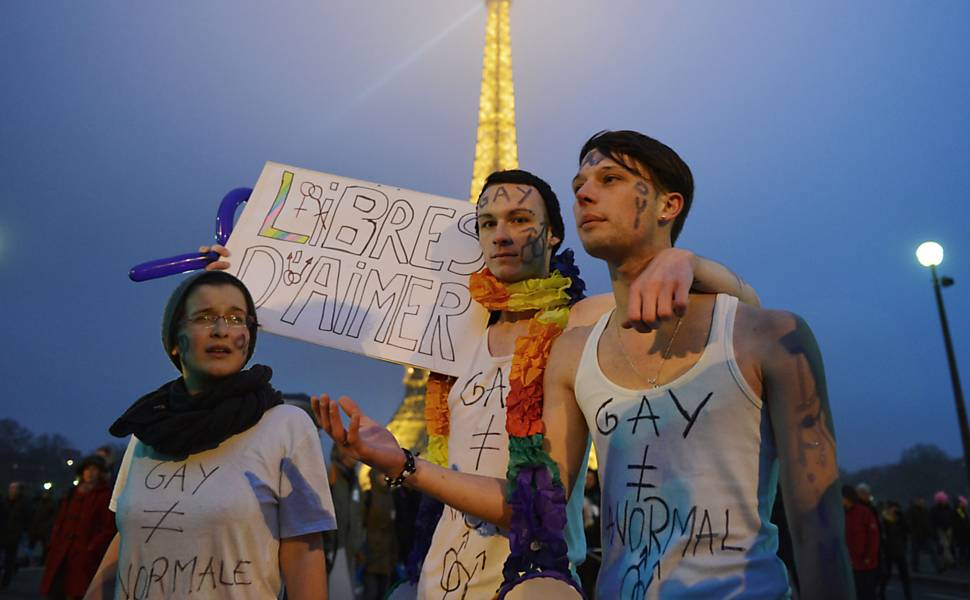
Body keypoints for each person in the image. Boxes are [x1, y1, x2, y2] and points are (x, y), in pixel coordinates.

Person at [310, 166, 762, 599]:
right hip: (439, 582)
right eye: (487, 223)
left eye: (520, 219)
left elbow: (741, 307)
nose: (501, 234)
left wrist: (687, 263)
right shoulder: (457, 337)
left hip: (531, 583)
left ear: (553, 235)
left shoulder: (577, 323)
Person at [538, 130, 854, 598]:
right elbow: (542, 509)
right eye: (579, 183)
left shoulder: (768, 336)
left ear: (669, 205)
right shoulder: (571, 350)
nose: (583, 193)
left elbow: (819, 531)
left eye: (609, 178)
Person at [83, 271, 337, 600]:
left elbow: (303, 555)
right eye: (204, 317)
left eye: (236, 318)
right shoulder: (148, 431)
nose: (221, 330)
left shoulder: (286, 425)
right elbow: (128, 539)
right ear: (174, 341)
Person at [40, 456, 115, 599]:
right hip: (62, 552)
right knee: (56, 591)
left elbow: (108, 527)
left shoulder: (105, 495)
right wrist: (54, 543)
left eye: (94, 469)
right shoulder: (72, 493)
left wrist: (91, 548)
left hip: (84, 557)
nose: (90, 473)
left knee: (77, 592)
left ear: (100, 473)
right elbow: (60, 521)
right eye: (87, 469)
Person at [844, 486, 879, 599]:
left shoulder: (864, 512)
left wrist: (869, 556)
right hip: (853, 564)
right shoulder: (844, 514)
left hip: (866, 563)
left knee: (868, 593)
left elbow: (873, 537)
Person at [878, 501, 911, 600]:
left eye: (896, 508)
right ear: (888, 509)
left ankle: (908, 595)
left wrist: (902, 518)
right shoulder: (883, 520)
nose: (895, 510)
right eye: (893, 508)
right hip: (888, 551)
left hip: (900, 550)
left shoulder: (900, 519)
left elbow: (908, 530)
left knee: (905, 575)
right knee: (887, 574)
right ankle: (881, 593)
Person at [1, 481, 29, 589]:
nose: (12, 491)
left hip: (14, 535)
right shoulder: (4, 501)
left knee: (9, 558)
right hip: (3, 533)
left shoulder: (24, 503)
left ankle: (5, 581)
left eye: (14, 489)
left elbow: (27, 518)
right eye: (11, 488)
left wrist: (22, 530)